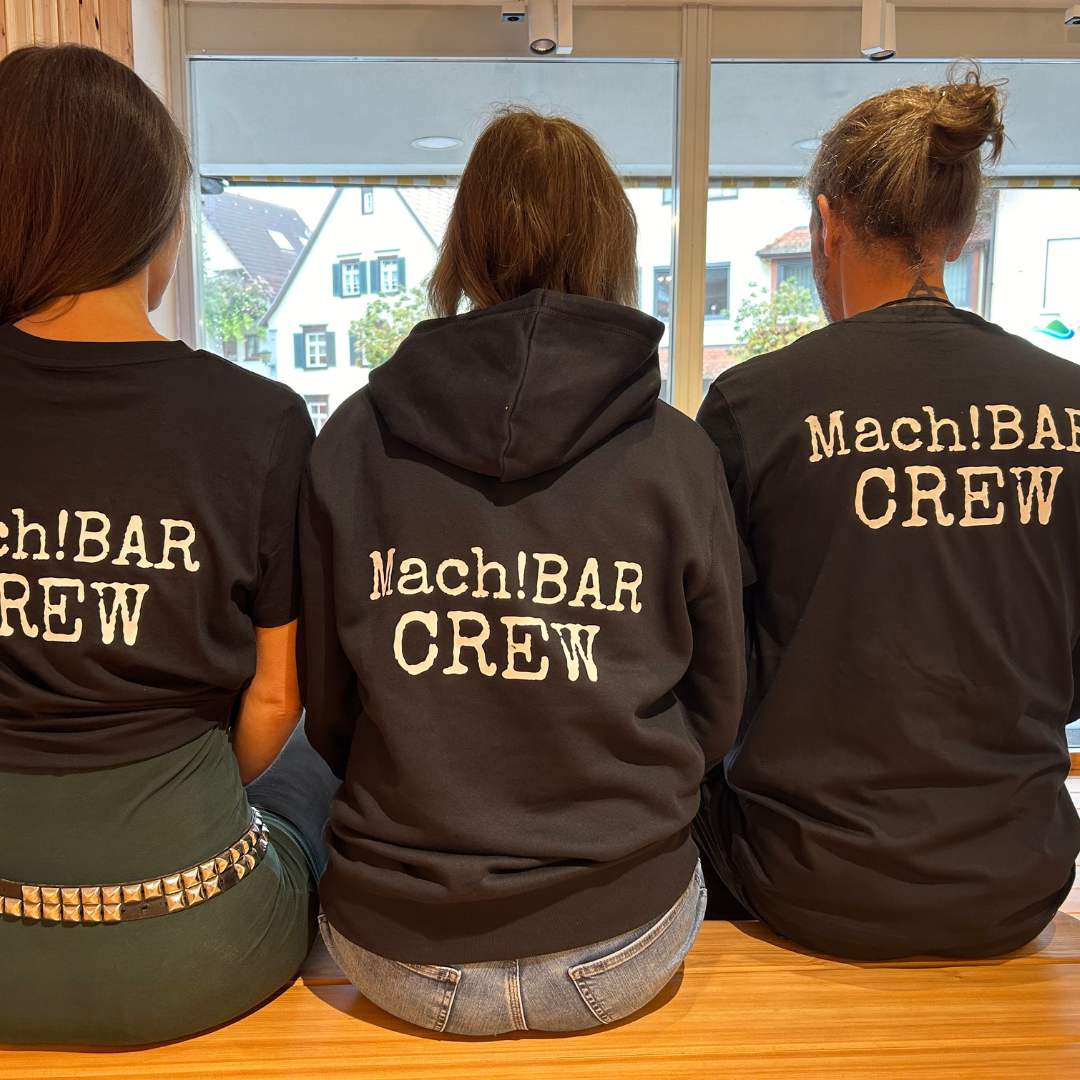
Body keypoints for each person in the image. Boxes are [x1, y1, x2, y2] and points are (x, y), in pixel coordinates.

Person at [300, 108, 745, 1036]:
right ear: (611, 244)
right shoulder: (676, 454)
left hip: (397, 949)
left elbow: (328, 706)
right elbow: (717, 701)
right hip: (622, 941)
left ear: (466, 244)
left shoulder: (352, 439)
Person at [694, 72, 1080, 960]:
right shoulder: (1068, 405)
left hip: (802, 879)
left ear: (827, 226)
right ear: (958, 232)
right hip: (1017, 883)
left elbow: (713, 666)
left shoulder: (758, 405)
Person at [0, 45, 336, 1046]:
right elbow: (276, 701)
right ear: (160, 225)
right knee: (318, 776)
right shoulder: (260, 421)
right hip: (200, 941)